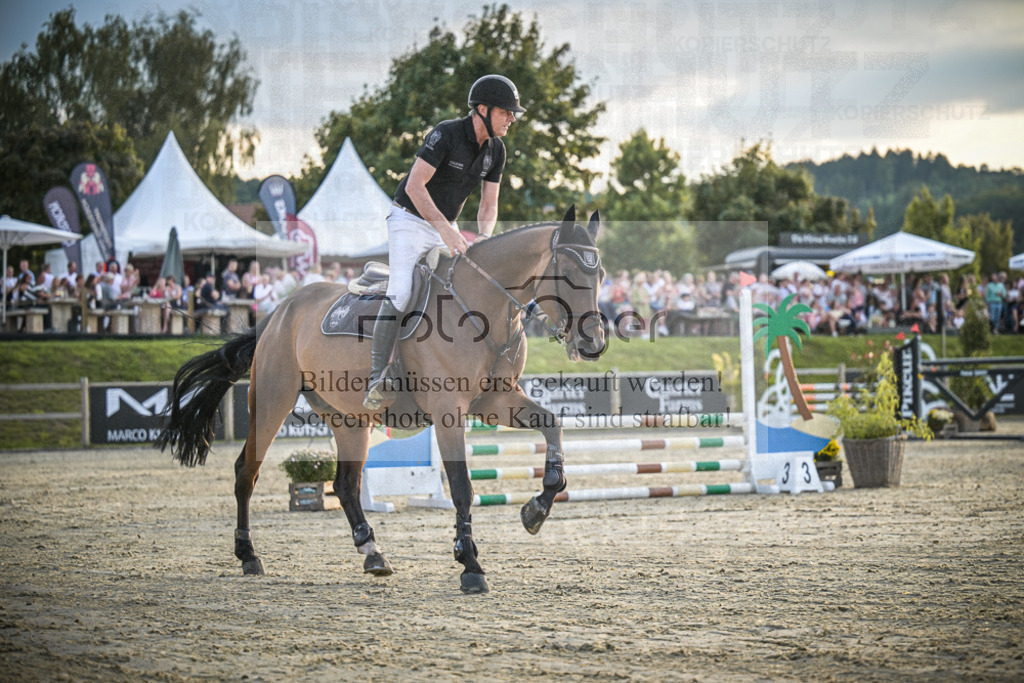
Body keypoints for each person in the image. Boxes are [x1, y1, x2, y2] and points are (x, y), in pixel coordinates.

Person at [363, 74, 525, 410]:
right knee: (403, 291)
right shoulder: (446, 134)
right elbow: (414, 187)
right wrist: (448, 231)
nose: (512, 118)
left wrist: (483, 236)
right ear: (482, 109)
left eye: (513, 113)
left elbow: (489, 204)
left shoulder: (497, 150)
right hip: (409, 219)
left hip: (444, 224)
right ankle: (380, 375)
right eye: (506, 112)